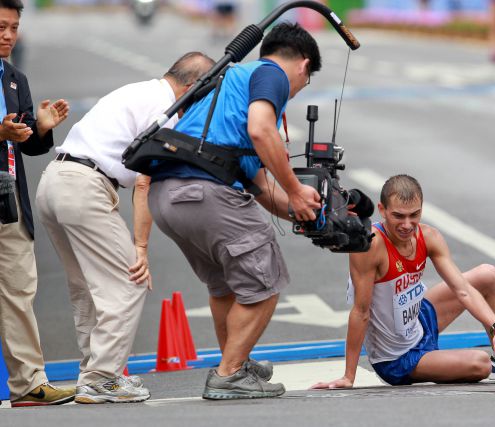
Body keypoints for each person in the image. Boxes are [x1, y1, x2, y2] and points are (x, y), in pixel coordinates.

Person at [147, 22, 322, 400]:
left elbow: (258, 185)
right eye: (303, 84)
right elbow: (262, 131)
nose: (294, 91)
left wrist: (307, 213)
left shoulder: (230, 82)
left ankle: (236, 362)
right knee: (266, 279)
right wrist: (296, 188)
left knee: (225, 285)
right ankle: (229, 373)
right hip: (202, 192)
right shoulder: (271, 74)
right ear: (303, 67)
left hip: (167, 197)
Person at [35, 51, 215, 404]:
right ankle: (102, 377)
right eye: (205, 95)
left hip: (55, 180)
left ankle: (94, 372)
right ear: (193, 86)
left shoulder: (140, 90)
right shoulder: (164, 111)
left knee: (86, 287)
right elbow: (145, 182)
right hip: (85, 187)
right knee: (129, 280)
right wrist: (142, 247)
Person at [312, 175, 495, 389]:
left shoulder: (429, 236)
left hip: (419, 322)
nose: (407, 225)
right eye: (398, 216)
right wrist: (348, 376)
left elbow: (463, 290)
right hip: (398, 358)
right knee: (480, 364)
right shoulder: (371, 246)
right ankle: (476, 363)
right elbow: (361, 312)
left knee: (488, 275)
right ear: (382, 210)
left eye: (414, 215)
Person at [0, 0, 74, 408]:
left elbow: (24, 143)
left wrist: (40, 129)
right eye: (0, 27)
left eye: (13, 27)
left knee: (19, 291)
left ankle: (29, 384)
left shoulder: (14, 79)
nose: (8, 35)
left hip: (8, 203)